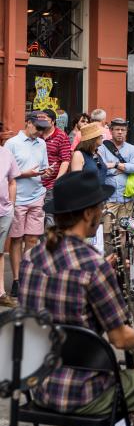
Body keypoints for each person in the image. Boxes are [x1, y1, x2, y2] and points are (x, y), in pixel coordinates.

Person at [18, 168, 134, 426]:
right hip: (86, 392)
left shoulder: (31, 258)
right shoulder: (92, 265)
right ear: (88, 213)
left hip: (38, 386)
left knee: (96, 364)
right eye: (99, 207)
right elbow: (120, 339)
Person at [5, 112, 50, 298]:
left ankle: (28, 277)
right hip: (17, 198)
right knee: (16, 239)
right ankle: (16, 279)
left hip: (36, 195)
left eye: (43, 129)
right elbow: (6, 173)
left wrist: (45, 172)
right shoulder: (12, 143)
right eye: (38, 128)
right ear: (28, 123)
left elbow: (43, 166)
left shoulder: (42, 144)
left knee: (32, 240)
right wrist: (27, 173)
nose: (40, 132)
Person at [98, 118, 134, 253]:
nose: (120, 133)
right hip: (108, 199)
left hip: (126, 197)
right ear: (111, 131)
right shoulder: (102, 148)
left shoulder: (132, 149)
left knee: (123, 231)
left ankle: (120, 259)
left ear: (126, 132)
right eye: (117, 130)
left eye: (123, 130)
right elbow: (103, 168)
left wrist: (116, 165)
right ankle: (108, 258)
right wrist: (124, 168)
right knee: (106, 231)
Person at [0, 143, 19, 307]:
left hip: (4, 211)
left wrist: (11, 206)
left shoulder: (6, 153)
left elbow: (12, 181)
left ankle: (0, 293)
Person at [40, 108, 72, 189]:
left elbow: (65, 160)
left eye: (45, 120)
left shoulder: (61, 136)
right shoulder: (37, 135)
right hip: (36, 182)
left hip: (52, 183)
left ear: (53, 121)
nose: (42, 123)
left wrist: (58, 181)